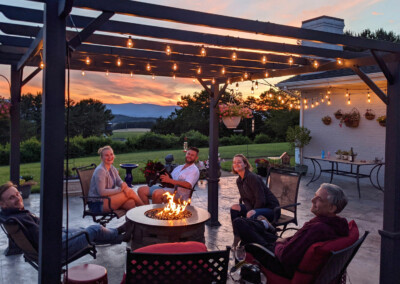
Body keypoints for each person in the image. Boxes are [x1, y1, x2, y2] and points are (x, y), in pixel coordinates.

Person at [234, 183, 349, 278]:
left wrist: (278, 243)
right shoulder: (336, 224)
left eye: (318, 199)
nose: (312, 200)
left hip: (277, 259)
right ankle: (266, 226)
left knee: (240, 225)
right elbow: (300, 242)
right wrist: (284, 240)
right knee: (247, 225)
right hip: (286, 247)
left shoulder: (318, 229)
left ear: (332, 208)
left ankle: (265, 226)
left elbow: (285, 257)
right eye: (314, 195)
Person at [0, 182, 129, 258]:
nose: (18, 198)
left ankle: (119, 235)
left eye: (17, 194)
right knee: (93, 230)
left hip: (55, 239)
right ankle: (120, 233)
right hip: (56, 248)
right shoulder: (17, 218)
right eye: (12, 198)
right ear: (3, 204)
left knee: (83, 230)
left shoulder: (13, 215)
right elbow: (41, 238)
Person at [230, 154, 280, 247]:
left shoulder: (252, 177)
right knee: (234, 208)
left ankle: (251, 240)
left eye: (239, 162)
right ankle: (237, 235)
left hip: (271, 209)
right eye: (234, 162)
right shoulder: (239, 180)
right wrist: (250, 211)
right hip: (256, 207)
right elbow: (245, 199)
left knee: (251, 214)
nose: (236, 164)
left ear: (245, 164)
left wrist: (252, 212)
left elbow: (261, 199)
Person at [89, 145, 144, 212]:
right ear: (102, 158)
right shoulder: (101, 170)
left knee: (130, 203)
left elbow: (119, 181)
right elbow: (102, 192)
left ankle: (132, 222)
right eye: (106, 155)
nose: (110, 157)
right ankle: (145, 211)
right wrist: (120, 189)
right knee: (129, 192)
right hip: (97, 204)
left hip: (108, 199)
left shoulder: (111, 168)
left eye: (111, 154)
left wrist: (122, 185)